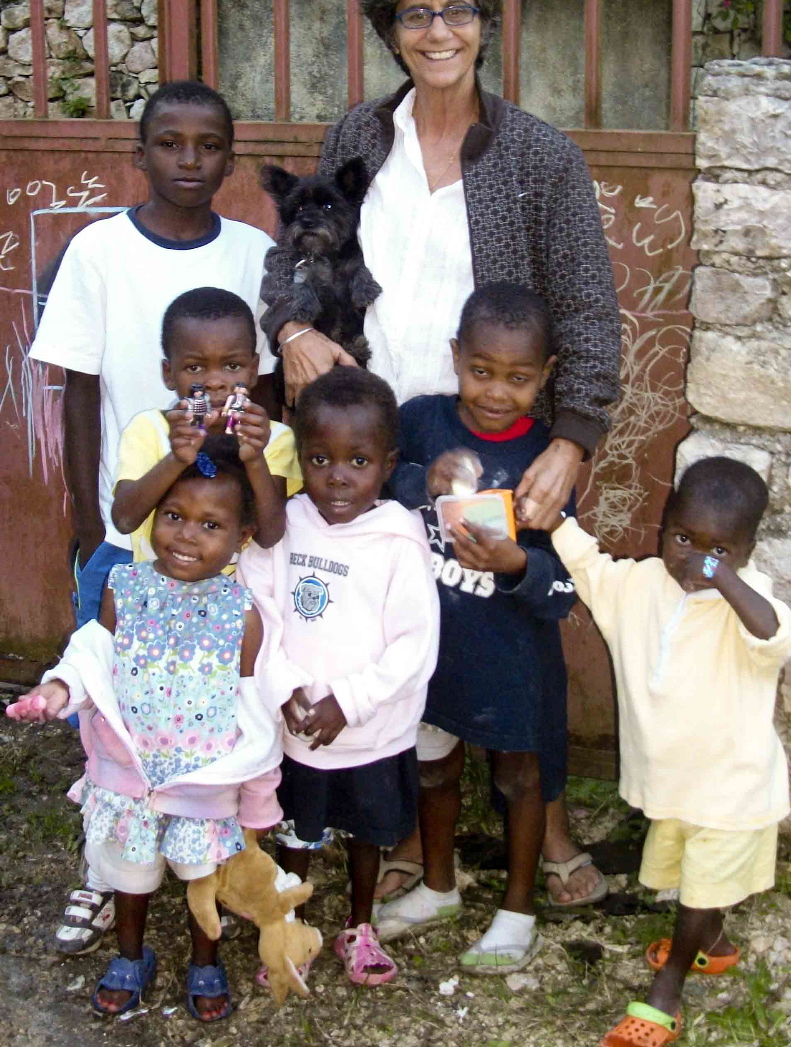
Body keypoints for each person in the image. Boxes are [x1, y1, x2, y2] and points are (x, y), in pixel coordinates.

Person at [261, 0, 619, 907]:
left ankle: (542, 823)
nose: (436, 30)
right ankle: (419, 838)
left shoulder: (538, 156)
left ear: (484, 21)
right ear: (389, 29)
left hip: (496, 431)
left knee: (511, 623)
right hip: (378, 436)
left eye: (455, 9)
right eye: (414, 13)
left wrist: (573, 438)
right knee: (399, 613)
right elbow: (302, 254)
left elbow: (587, 306)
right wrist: (293, 327)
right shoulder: (356, 136)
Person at [28, 80, 275, 954]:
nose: (188, 161)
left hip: (221, 535)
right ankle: (107, 871)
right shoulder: (98, 252)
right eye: (168, 144)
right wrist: (88, 519)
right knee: (108, 706)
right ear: (140, 156)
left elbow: (269, 393)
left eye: (207, 146)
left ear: (229, 160)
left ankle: (222, 865)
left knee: (220, 701)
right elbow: (78, 388)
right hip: (131, 524)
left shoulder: (253, 253)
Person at [8, 439, 284, 1022]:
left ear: (240, 539)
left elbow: (255, 716)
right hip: (128, 783)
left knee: (200, 881)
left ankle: (204, 959)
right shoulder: (123, 589)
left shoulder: (245, 613)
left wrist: (259, 805)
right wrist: (57, 689)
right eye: (175, 516)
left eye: (210, 525)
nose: (186, 535)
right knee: (130, 880)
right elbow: (91, 659)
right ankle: (131, 955)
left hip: (201, 792)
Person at [543, 457, 791, 1046]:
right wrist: (553, 519)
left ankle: (667, 992)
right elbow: (588, 567)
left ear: (748, 550)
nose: (695, 559)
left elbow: (774, 637)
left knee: (699, 889)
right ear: (663, 524)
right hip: (675, 787)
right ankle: (713, 945)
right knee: (696, 879)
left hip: (732, 789)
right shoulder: (640, 586)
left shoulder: (747, 603)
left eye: (719, 550)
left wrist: (727, 580)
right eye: (682, 539)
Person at [376, 285, 576, 972]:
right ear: (454, 357)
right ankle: (438, 886)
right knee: (432, 770)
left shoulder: (545, 462)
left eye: (519, 379)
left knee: (518, 780)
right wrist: (417, 480)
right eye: (480, 371)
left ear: (545, 375)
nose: (496, 392)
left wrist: (516, 559)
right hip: (430, 649)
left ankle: (517, 911)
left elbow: (562, 586)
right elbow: (366, 481)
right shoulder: (421, 422)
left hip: (509, 658)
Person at [237, 367, 440, 986]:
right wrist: (286, 689)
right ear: (299, 457)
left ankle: (360, 924)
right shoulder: (285, 525)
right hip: (296, 725)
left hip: (372, 734)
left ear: (388, 464)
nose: (338, 476)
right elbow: (261, 610)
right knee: (297, 830)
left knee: (364, 836)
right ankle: (288, 925)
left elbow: (415, 645)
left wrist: (347, 703)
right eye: (320, 458)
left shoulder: (400, 540)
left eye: (358, 460)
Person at [112, 288, 302, 565]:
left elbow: (269, 535)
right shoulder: (148, 430)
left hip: (236, 599)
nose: (214, 382)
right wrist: (176, 458)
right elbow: (124, 520)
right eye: (195, 368)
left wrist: (255, 459)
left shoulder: (272, 439)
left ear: (252, 371)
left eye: (232, 365)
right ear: (169, 374)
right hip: (161, 597)